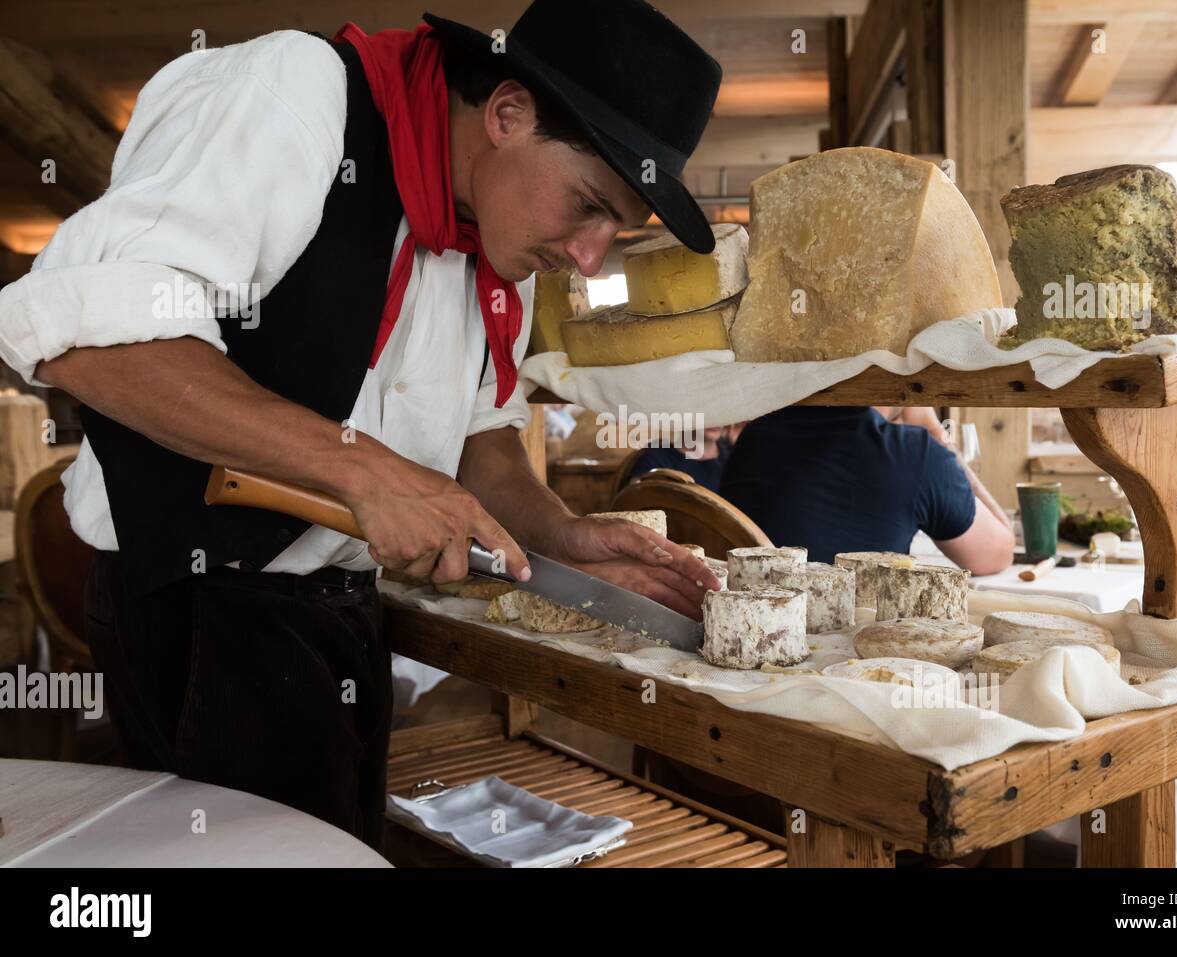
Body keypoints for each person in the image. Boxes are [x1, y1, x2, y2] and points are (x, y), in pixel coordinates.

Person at [0, 0, 722, 848]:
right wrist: (362, 470)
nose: (589, 254)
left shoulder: (503, 242)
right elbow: (86, 338)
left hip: (342, 618)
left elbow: (477, 439)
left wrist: (561, 534)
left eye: (614, 228)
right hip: (204, 611)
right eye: (589, 205)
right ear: (507, 114)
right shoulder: (292, 99)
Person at [719, 405, 1014, 575]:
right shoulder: (916, 452)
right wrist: (937, 436)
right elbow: (997, 554)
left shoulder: (755, 436)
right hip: (862, 659)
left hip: (754, 647)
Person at [626, 424, 743, 491]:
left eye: (722, 411)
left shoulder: (735, 455)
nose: (716, 419)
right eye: (705, 408)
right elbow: (636, 509)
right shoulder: (654, 459)